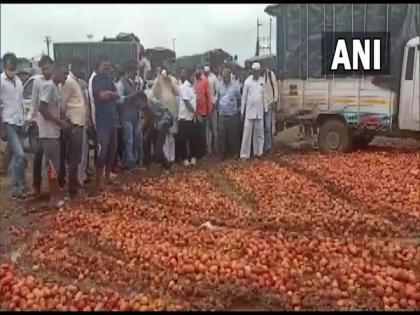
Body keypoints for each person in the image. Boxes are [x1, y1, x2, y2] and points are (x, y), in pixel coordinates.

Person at [37, 63, 69, 207]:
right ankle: (53, 198)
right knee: (52, 167)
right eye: (63, 73)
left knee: (54, 166)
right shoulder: (50, 87)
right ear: (55, 72)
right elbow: (42, 108)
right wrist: (59, 122)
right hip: (48, 133)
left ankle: (56, 194)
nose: (65, 76)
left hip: (53, 132)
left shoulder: (55, 87)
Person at [60, 57, 88, 198]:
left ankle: (74, 183)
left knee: (76, 158)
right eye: (82, 68)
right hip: (74, 124)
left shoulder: (76, 82)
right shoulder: (69, 83)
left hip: (79, 123)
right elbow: (62, 104)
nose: (83, 71)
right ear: (76, 68)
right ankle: (72, 188)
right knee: (73, 158)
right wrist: (67, 122)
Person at [0, 53, 27, 200]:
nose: (12, 67)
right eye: (9, 64)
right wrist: (1, 127)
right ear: (5, 64)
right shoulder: (1, 81)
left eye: (13, 65)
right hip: (8, 122)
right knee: (20, 155)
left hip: (19, 122)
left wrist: (24, 120)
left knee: (16, 157)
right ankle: (16, 189)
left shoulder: (18, 81)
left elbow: (20, 102)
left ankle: (20, 184)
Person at [91, 56, 120, 192]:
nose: (107, 68)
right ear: (99, 66)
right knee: (101, 152)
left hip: (112, 120)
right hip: (102, 122)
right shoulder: (96, 79)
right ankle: (98, 182)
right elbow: (101, 96)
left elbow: (117, 94)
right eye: (104, 66)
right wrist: (110, 94)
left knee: (112, 151)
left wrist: (109, 94)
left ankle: (107, 178)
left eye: (108, 66)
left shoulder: (109, 79)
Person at [29, 55, 54, 197]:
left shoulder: (55, 81)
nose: (46, 71)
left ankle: (55, 186)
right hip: (40, 123)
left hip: (54, 125)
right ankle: (36, 186)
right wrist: (32, 120)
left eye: (48, 68)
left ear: (52, 66)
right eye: (43, 68)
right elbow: (34, 102)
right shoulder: (37, 82)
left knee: (53, 158)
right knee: (38, 154)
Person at [115, 61, 142, 170]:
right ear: (128, 72)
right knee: (128, 140)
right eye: (134, 71)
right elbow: (118, 99)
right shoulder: (120, 84)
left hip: (135, 115)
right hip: (126, 116)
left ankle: (134, 161)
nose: (136, 73)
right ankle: (129, 163)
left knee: (136, 139)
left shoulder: (135, 84)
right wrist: (129, 97)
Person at [137, 92, 172, 171]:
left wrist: (165, 122)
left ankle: (168, 167)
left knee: (157, 151)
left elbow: (167, 111)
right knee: (145, 141)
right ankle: (148, 165)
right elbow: (147, 119)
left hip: (163, 123)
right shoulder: (143, 108)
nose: (138, 105)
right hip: (153, 125)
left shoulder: (154, 102)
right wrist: (140, 129)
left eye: (139, 102)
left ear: (144, 100)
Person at [152, 63, 179, 164]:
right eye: (164, 69)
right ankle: (165, 159)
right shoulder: (157, 81)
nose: (165, 72)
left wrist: (170, 81)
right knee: (164, 136)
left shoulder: (172, 79)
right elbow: (154, 95)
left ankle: (172, 158)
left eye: (167, 70)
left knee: (172, 135)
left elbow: (177, 92)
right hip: (163, 112)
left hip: (172, 110)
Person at [240, 62, 265, 160]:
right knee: (247, 134)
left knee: (259, 133)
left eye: (257, 71)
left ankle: (258, 153)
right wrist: (242, 111)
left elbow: (264, 95)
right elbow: (244, 97)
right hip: (249, 112)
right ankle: (244, 154)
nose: (256, 73)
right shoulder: (247, 82)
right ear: (252, 71)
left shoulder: (262, 81)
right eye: (254, 71)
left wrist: (266, 108)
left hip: (259, 111)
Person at [177, 68, 200, 167]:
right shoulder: (184, 87)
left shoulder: (191, 88)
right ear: (189, 77)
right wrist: (196, 113)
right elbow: (187, 102)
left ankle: (193, 157)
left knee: (192, 138)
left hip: (191, 118)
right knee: (183, 139)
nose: (194, 78)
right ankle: (185, 158)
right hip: (184, 117)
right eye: (193, 77)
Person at [217, 68, 241, 160]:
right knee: (222, 135)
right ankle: (223, 154)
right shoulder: (220, 85)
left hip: (232, 114)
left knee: (233, 135)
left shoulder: (235, 85)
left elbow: (239, 98)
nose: (224, 78)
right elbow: (218, 97)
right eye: (223, 76)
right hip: (222, 114)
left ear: (229, 76)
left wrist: (237, 109)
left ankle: (234, 153)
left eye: (226, 76)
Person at [193, 68, 212, 158]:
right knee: (197, 133)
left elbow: (208, 96)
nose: (197, 72)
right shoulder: (193, 82)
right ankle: (198, 153)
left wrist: (209, 110)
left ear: (201, 72)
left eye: (198, 71)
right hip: (195, 112)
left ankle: (205, 152)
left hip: (204, 111)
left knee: (204, 133)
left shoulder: (205, 81)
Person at [262, 67, 278, 155]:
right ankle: (263, 147)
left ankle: (269, 146)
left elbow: (275, 87)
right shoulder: (257, 77)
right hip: (260, 106)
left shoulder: (270, 74)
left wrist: (275, 100)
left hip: (269, 104)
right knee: (262, 128)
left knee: (268, 127)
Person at [203, 65, 219, 156]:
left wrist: (215, 103)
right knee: (207, 130)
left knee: (214, 129)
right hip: (204, 107)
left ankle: (215, 147)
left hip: (212, 106)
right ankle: (208, 149)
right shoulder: (201, 78)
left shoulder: (214, 78)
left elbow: (217, 92)